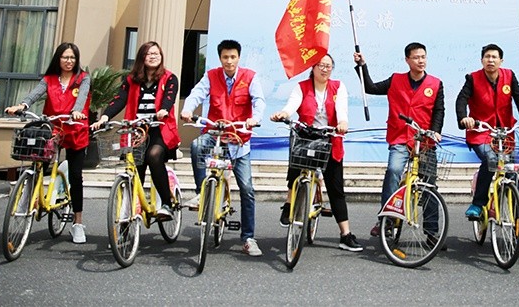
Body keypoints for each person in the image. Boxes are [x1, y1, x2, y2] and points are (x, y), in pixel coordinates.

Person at [270, 53, 364, 252]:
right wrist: (283, 114)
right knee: (296, 166)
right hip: (306, 136)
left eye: (328, 66)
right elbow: (292, 105)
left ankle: (345, 234)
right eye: (320, 65)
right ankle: (289, 204)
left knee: (336, 188)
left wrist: (343, 122)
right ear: (312, 68)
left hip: (330, 138)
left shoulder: (338, 87)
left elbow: (342, 110)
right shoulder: (302, 87)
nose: (324, 69)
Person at [180, 39, 265, 257]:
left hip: (239, 139)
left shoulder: (250, 77)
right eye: (225, 57)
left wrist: (255, 118)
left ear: (238, 57)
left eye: (233, 57)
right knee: (197, 146)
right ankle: (202, 193)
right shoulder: (211, 76)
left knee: (247, 189)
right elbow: (197, 94)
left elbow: (259, 101)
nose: (229, 61)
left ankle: (248, 238)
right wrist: (187, 109)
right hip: (215, 134)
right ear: (220, 58)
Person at [455, 43, 519, 256]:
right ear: (482, 60)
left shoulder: (509, 76)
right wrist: (464, 118)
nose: (490, 60)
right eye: (487, 57)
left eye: (494, 57)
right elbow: (461, 100)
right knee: (490, 159)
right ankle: (478, 203)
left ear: (501, 60)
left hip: (505, 133)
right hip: (481, 132)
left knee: (513, 183)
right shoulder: (472, 78)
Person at [354, 42, 445, 238]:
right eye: (416, 57)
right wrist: (362, 66)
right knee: (394, 170)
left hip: (424, 141)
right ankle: (386, 220)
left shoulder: (436, 84)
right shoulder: (395, 80)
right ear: (407, 60)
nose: (421, 61)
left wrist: (436, 131)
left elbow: (439, 110)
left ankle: (432, 233)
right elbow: (370, 87)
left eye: (423, 57)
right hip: (400, 138)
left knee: (429, 184)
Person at [6, 42, 91, 243]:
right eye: (65, 57)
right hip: (52, 128)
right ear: (58, 59)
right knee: (38, 164)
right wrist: (22, 105)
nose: (69, 61)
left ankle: (78, 223)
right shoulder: (49, 79)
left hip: (75, 128)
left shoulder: (83, 78)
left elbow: (82, 97)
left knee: (76, 176)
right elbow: (36, 93)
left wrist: (76, 111)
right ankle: (26, 200)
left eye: (72, 58)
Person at [93, 41, 179, 220]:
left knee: (154, 156)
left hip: (159, 129)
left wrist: (163, 110)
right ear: (141, 57)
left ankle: (167, 204)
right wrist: (105, 117)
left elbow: (169, 98)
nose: (153, 56)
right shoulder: (131, 80)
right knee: (136, 166)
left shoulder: (170, 78)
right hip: (136, 130)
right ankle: (128, 217)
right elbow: (120, 99)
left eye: (156, 53)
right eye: (149, 54)